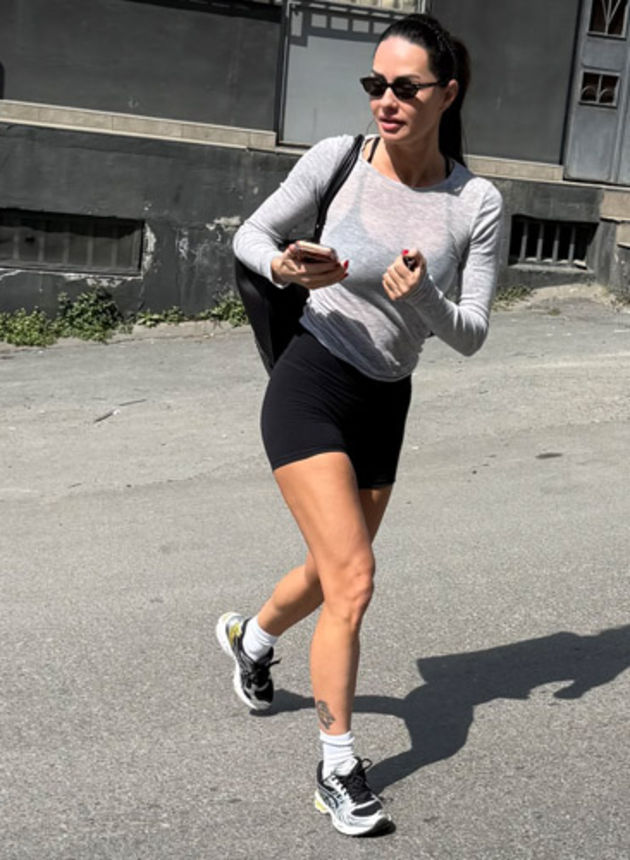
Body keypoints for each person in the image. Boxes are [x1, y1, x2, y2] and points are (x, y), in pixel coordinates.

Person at [216, 12, 504, 837]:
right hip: (311, 380)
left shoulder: (475, 201)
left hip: (387, 399)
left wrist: (428, 301)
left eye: (406, 87)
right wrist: (284, 264)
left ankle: (252, 639)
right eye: (376, 84)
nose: (386, 99)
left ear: (448, 94)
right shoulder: (338, 158)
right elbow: (252, 234)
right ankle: (337, 766)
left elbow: (473, 333)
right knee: (354, 578)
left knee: (330, 568)